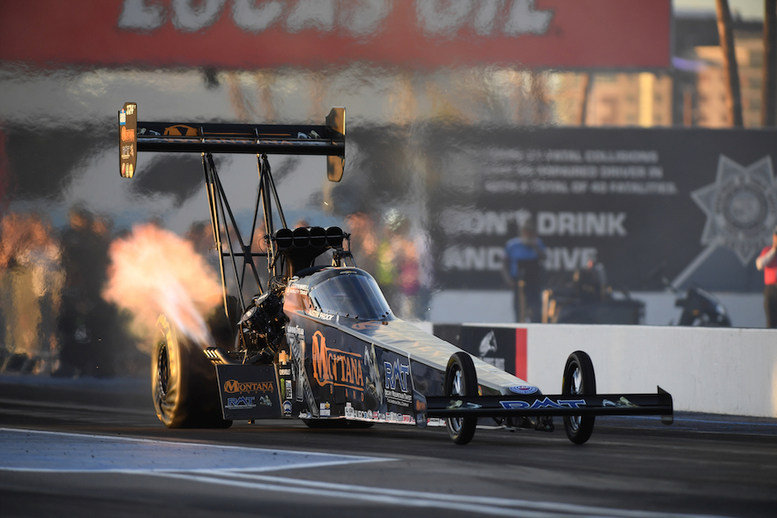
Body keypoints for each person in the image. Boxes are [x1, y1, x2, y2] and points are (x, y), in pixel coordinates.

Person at [503, 221, 545, 322]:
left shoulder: (538, 243)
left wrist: (535, 246)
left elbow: (543, 258)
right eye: (526, 232)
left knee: (536, 311)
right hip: (518, 282)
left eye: (530, 232)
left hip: (534, 282)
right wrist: (508, 280)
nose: (528, 235)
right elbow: (504, 265)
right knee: (519, 310)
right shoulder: (512, 245)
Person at [755, 226, 777, 328]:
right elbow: (760, 265)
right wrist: (774, 249)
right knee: (771, 320)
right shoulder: (768, 250)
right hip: (771, 290)